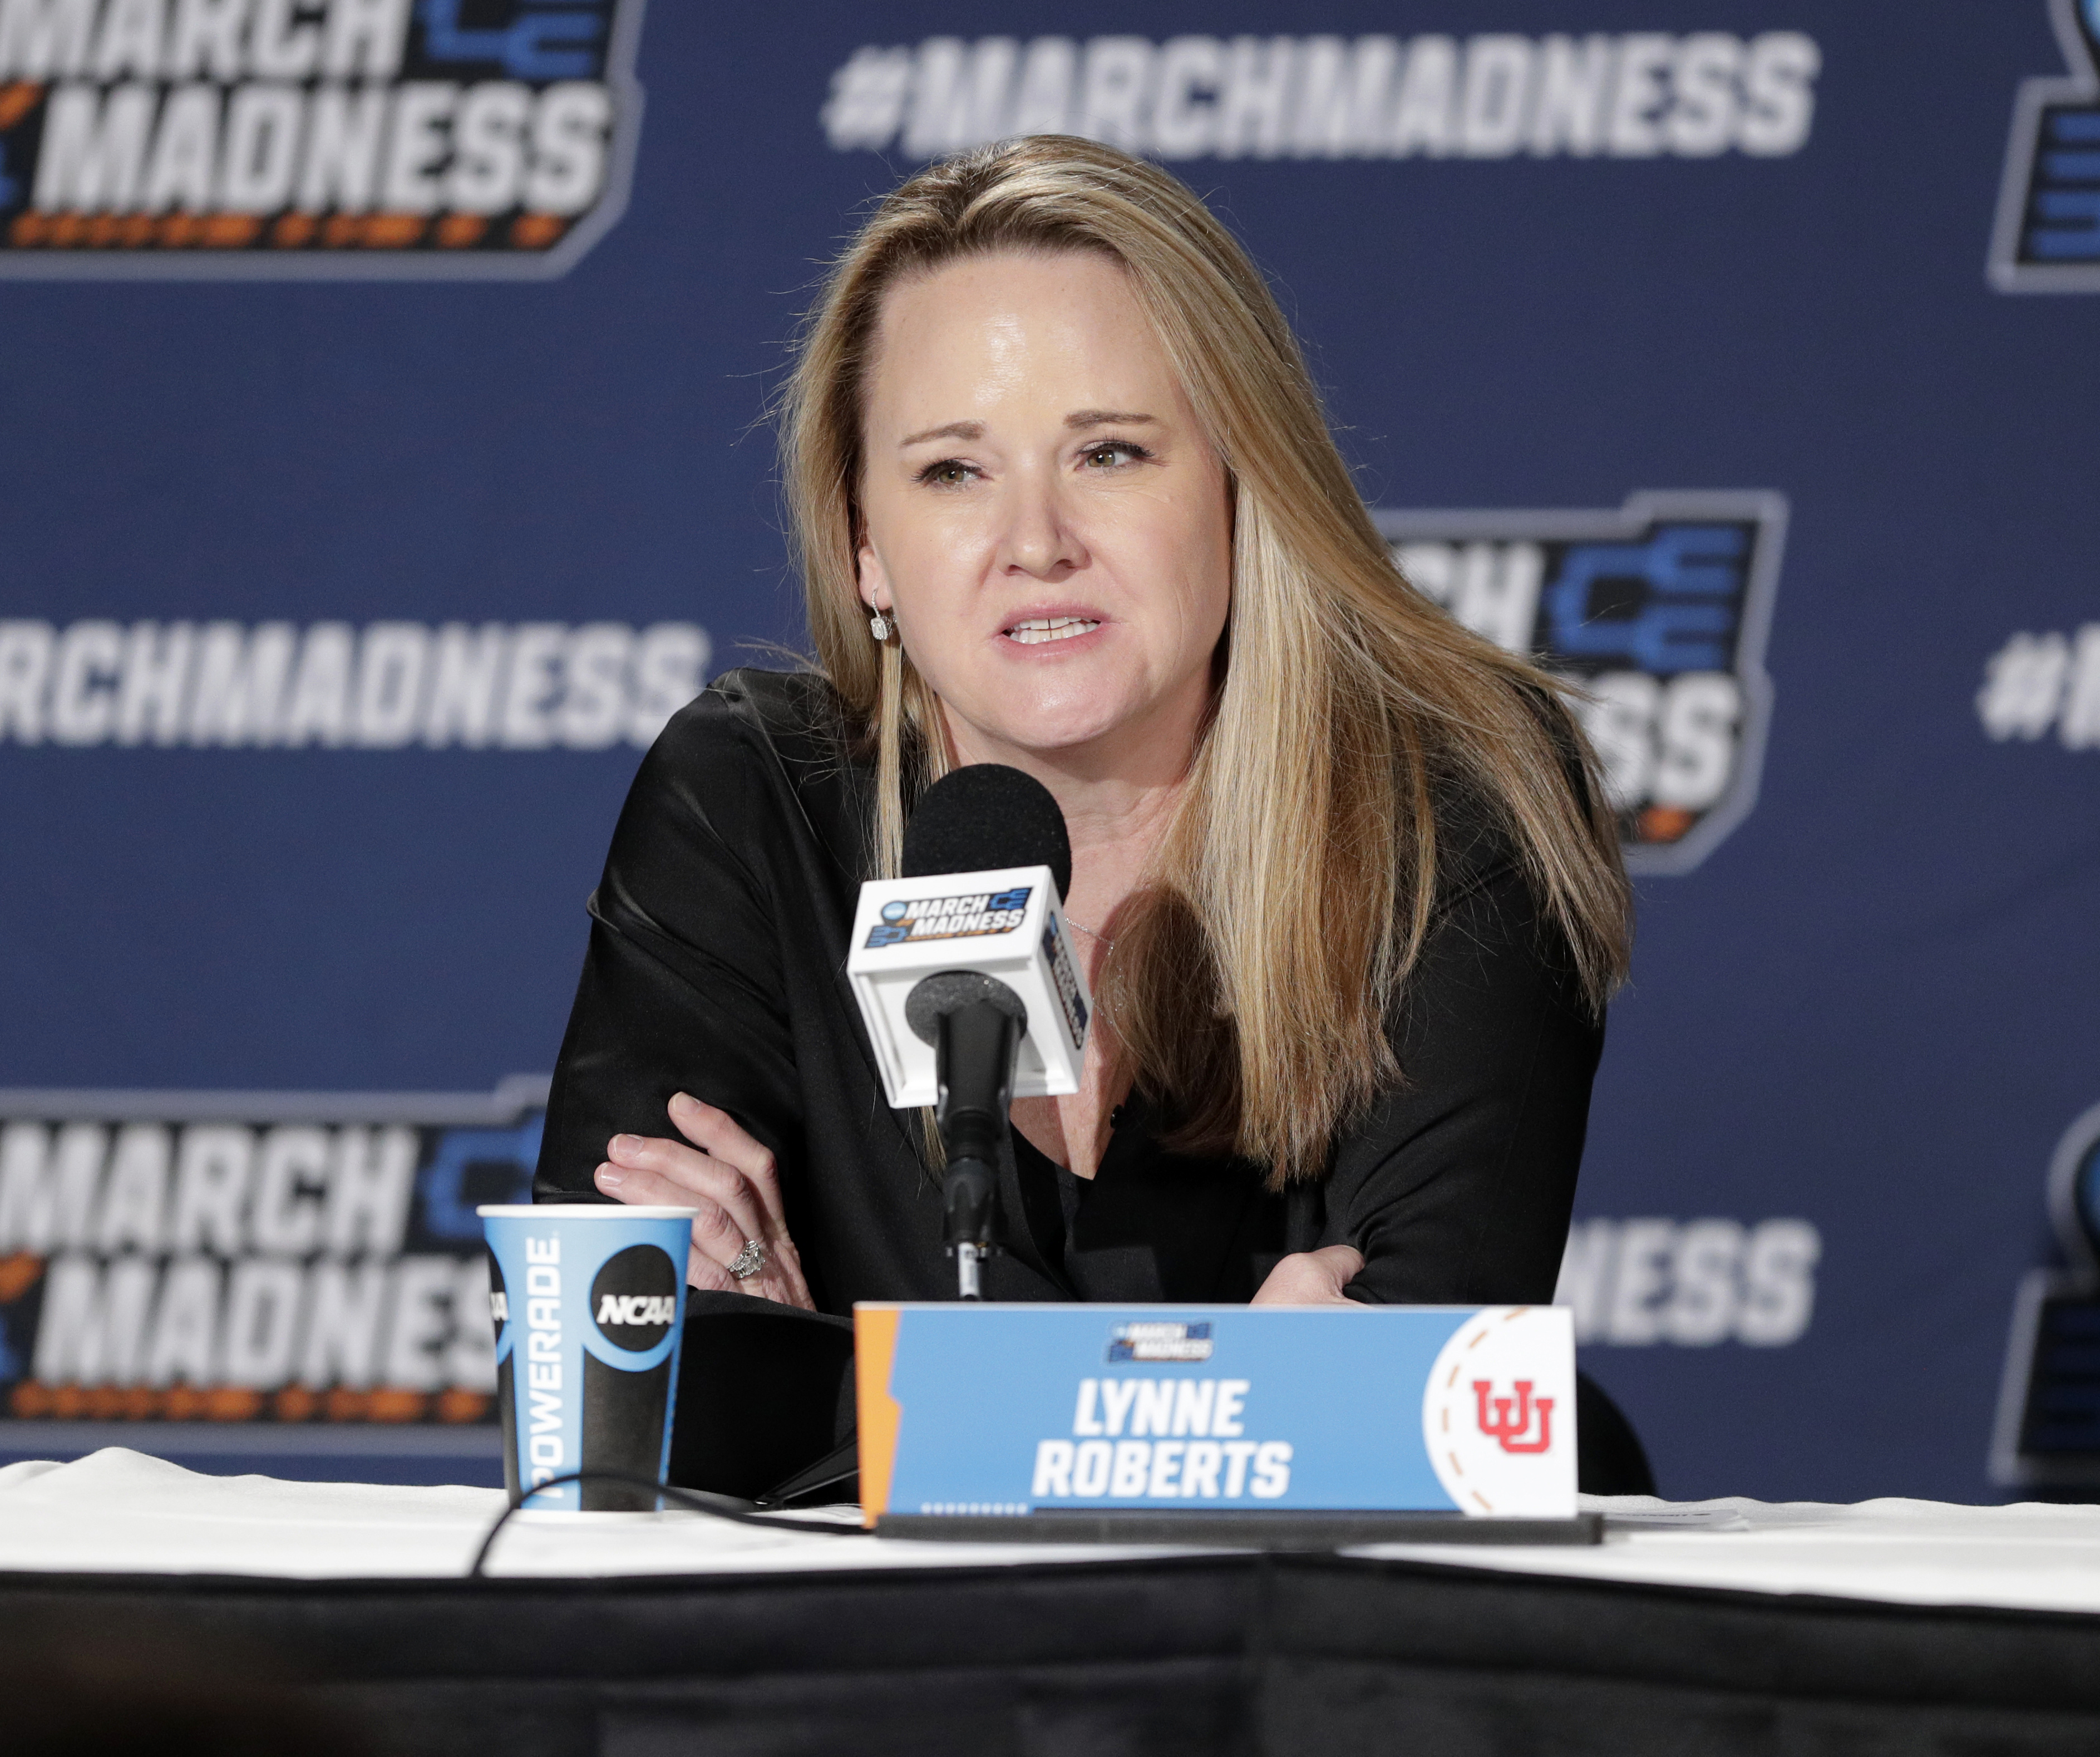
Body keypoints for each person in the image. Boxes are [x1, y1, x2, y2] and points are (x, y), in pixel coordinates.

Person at [535, 135, 1630, 1312]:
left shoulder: (1446, 798)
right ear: (865, 546)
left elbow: (1416, 1399)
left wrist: (815, 1375)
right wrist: (1233, 1400)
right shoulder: (753, 801)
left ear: (1241, 482)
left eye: (1109, 453)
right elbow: (618, 1364)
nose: (1038, 542)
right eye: (954, 472)